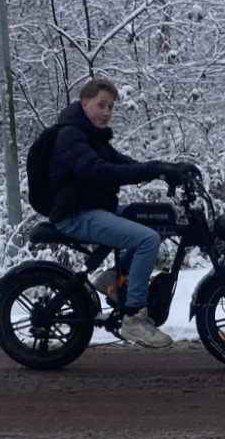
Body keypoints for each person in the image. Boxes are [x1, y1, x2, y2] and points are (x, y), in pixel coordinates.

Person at [47, 78, 196, 349]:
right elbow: (100, 170)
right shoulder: (71, 136)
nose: (106, 112)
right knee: (147, 239)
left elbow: (119, 163)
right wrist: (152, 170)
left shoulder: (91, 135)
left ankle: (112, 276)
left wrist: (163, 169)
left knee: (161, 219)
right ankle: (133, 317)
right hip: (76, 214)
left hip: (96, 208)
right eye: (101, 105)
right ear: (84, 104)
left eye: (111, 107)